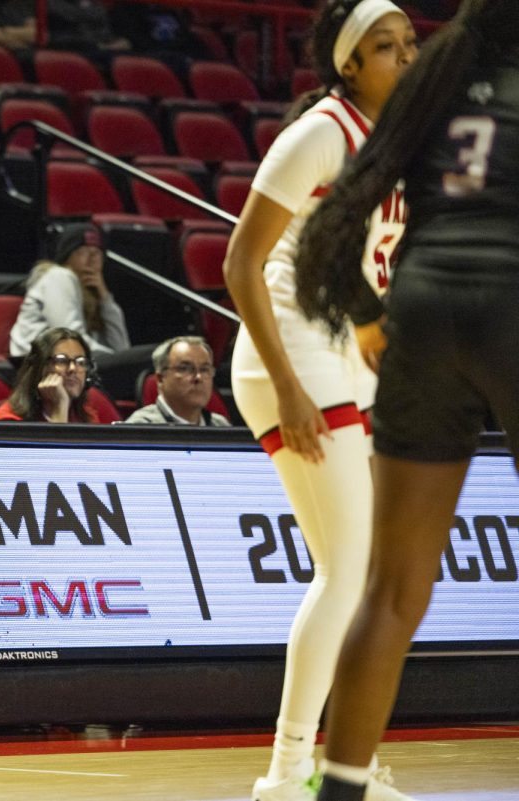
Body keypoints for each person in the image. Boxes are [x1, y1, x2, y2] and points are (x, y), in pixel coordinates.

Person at [291, 3, 519, 800]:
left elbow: (336, 212)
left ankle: (341, 790)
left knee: (389, 590)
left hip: (421, 309)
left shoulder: (436, 73)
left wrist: (365, 315)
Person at [220, 1, 416, 798]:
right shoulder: (322, 132)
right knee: (353, 571)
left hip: (340, 351)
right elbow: (240, 262)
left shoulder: (397, 147)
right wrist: (293, 388)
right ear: (347, 63)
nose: (404, 57)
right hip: (289, 350)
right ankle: (292, 769)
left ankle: (328, 766)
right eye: (384, 46)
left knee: (359, 573)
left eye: (409, 44)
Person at [10, 224, 131, 360]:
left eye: (96, 253)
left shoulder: (92, 293)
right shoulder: (58, 276)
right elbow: (69, 339)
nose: (91, 259)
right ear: (67, 256)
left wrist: (105, 297)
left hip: (69, 363)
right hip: (34, 363)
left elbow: (121, 346)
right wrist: (116, 359)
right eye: (83, 252)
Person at [0, 327, 96, 423]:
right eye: (61, 360)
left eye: (81, 362)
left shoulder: (86, 417)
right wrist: (60, 407)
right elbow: (58, 443)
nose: (73, 368)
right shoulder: (9, 419)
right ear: (40, 368)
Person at [124, 336, 230, 426]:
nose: (198, 377)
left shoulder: (220, 425)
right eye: (185, 368)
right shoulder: (141, 428)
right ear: (160, 378)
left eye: (204, 369)